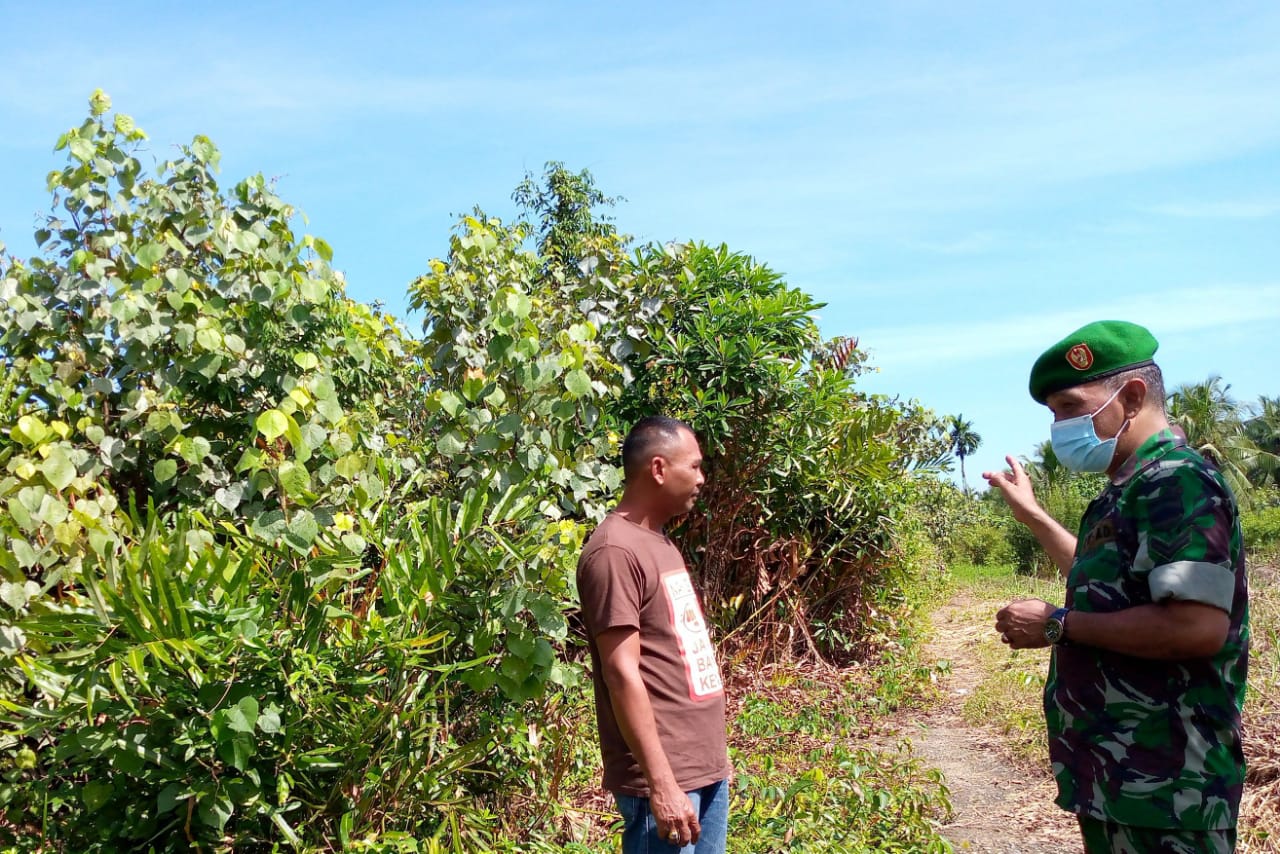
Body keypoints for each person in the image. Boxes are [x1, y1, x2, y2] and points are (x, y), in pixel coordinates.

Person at [984, 320, 1250, 853]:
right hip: (1122, 775)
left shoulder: (1178, 481)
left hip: (1172, 784)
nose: (1059, 425)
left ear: (1129, 397)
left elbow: (1196, 627)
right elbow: (1103, 584)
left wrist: (1057, 625)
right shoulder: (1127, 490)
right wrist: (1034, 517)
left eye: (1068, 406)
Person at [576, 416, 731, 853]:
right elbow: (621, 671)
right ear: (659, 469)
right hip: (663, 783)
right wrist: (662, 785)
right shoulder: (614, 551)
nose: (701, 478)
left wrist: (713, 758)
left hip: (702, 770)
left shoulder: (658, 541)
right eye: (695, 467)